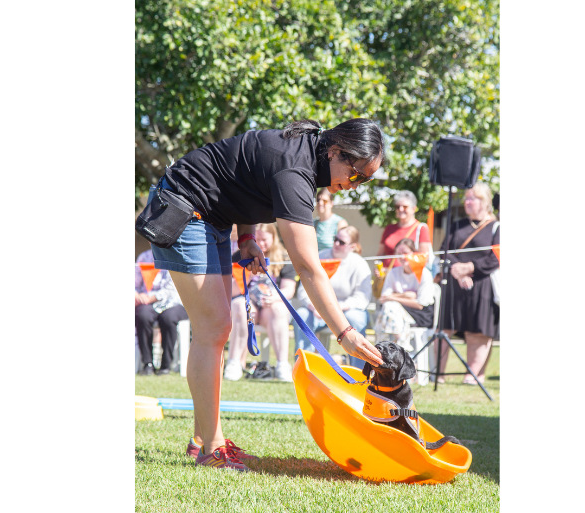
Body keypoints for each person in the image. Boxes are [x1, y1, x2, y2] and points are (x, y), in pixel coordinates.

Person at [148, 118, 385, 471]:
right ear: (335, 151)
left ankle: (200, 440)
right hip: (183, 209)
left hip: (214, 217)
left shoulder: (307, 158)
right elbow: (307, 268)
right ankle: (212, 450)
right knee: (213, 329)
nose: (354, 185)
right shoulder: (295, 171)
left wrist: (246, 238)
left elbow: (244, 181)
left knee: (216, 331)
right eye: (356, 175)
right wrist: (345, 334)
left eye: (364, 181)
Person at [435, 182, 500, 385]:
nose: (468, 202)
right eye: (467, 198)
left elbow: (495, 258)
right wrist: (457, 271)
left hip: (482, 286)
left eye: (473, 198)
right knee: (445, 329)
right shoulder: (457, 224)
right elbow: (445, 250)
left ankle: (472, 376)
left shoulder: (495, 226)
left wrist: (469, 268)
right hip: (455, 284)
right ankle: (438, 374)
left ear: (485, 201)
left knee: (476, 331)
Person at [225, 223, 297, 382]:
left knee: (278, 308)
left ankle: (282, 365)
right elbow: (229, 292)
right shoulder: (239, 256)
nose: (260, 244)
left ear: (274, 238)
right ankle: (234, 362)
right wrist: (245, 278)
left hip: (270, 308)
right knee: (239, 305)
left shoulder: (284, 258)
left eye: (264, 239)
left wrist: (273, 297)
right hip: (248, 306)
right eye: (257, 239)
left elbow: (289, 289)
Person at [294, 226, 372, 369]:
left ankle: (359, 371)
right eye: (335, 239)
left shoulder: (359, 264)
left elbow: (362, 298)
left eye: (342, 242)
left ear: (352, 247)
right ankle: (303, 368)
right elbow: (303, 291)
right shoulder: (320, 257)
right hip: (317, 310)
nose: (336, 244)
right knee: (302, 314)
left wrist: (335, 308)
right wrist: (315, 306)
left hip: (347, 311)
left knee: (357, 318)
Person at [134, 249, 189, 376]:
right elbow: (135, 284)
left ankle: (166, 365)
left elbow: (170, 288)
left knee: (168, 318)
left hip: (173, 302)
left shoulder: (174, 255)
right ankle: (147, 364)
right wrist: (137, 295)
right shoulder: (143, 257)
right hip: (147, 302)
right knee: (142, 315)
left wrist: (150, 298)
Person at [375, 238, 435, 349]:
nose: (402, 257)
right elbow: (383, 298)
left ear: (414, 253)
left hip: (419, 314)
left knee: (390, 307)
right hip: (396, 312)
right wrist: (407, 295)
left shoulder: (424, 273)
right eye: (399, 253)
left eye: (406, 253)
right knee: (389, 307)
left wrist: (393, 297)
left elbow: (420, 304)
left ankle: (386, 346)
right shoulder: (394, 272)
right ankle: (400, 345)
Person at [376, 191, 432, 269]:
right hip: (387, 276)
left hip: (407, 277)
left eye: (405, 207)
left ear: (414, 208)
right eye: (398, 207)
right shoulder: (389, 228)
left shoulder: (421, 228)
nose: (401, 209)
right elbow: (380, 254)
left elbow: (423, 259)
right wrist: (378, 268)